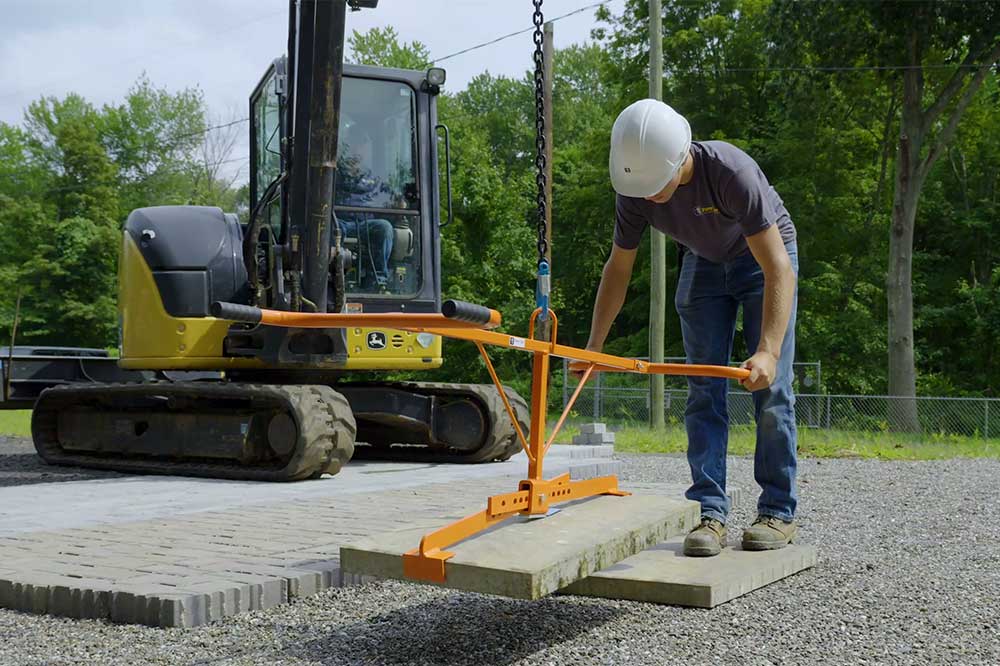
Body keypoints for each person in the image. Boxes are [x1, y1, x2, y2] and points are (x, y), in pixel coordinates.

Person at [582, 99, 800, 557]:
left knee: (771, 389)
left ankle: (777, 511)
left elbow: (779, 267)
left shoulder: (730, 173)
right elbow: (618, 269)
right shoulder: (636, 189)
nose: (651, 196)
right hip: (703, 259)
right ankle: (709, 512)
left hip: (762, 258)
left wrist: (768, 350)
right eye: (642, 189)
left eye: (657, 185)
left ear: (682, 156)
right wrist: (594, 348)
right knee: (703, 388)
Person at [336, 121, 394, 290]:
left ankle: (378, 280)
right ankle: (333, 274)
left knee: (384, 227)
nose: (358, 148)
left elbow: (388, 198)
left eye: (362, 143)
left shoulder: (375, 178)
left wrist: (400, 202)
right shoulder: (336, 175)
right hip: (341, 222)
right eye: (354, 143)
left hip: (365, 225)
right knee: (331, 229)